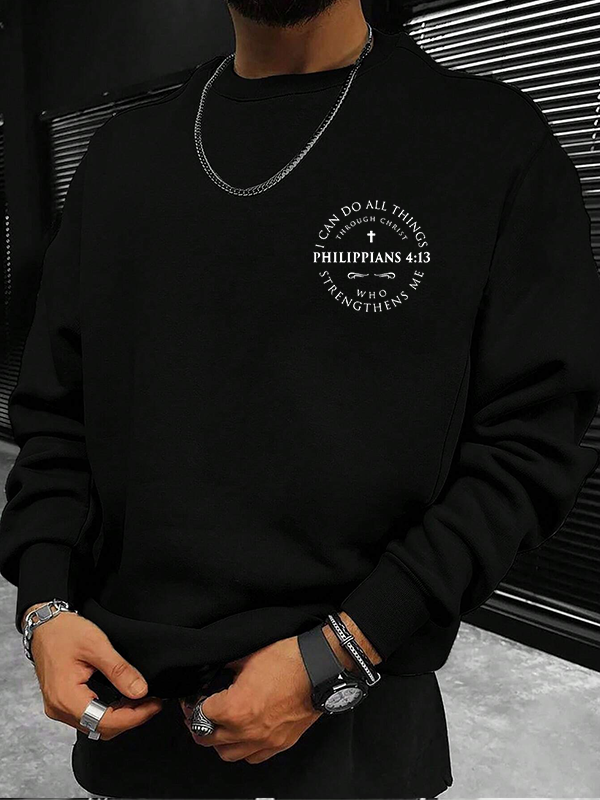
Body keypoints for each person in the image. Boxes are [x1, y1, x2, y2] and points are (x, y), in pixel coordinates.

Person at [1, 0, 600, 798]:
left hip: (362, 721)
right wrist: (43, 603)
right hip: (136, 704)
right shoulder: (123, 157)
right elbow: (56, 413)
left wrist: (340, 652)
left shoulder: (491, 143)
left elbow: (531, 443)